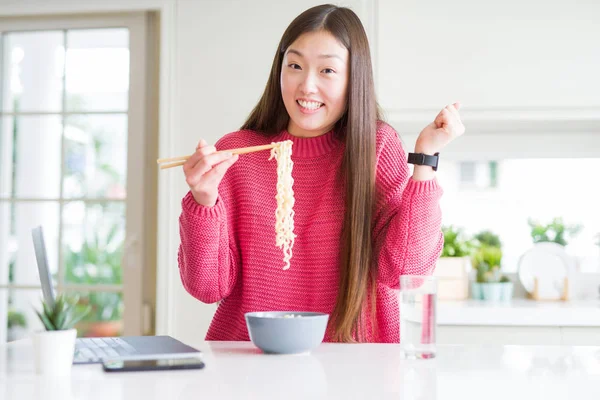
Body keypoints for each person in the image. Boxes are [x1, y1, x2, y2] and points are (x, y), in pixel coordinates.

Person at [177, 4, 464, 343]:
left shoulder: (376, 146)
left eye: (327, 70)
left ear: (353, 78)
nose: (306, 86)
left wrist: (425, 160)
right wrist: (203, 200)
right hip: (249, 362)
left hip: (353, 364)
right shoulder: (238, 153)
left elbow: (407, 272)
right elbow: (207, 288)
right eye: (295, 65)